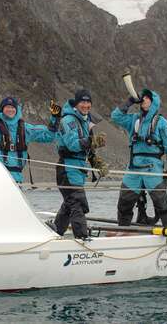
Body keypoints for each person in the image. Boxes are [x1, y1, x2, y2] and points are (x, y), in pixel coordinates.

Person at [111, 89, 167, 228]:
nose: (144, 99)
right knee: (124, 202)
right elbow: (115, 117)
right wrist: (128, 102)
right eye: (143, 97)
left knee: (161, 202)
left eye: (148, 98)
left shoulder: (161, 122)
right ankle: (123, 231)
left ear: (154, 102)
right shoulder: (134, 119)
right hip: (134, 167)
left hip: (153, 168)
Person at [51, 89, 107, 240]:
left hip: (77, 169)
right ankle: (82, 239)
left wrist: (97, 163)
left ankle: (55, 232)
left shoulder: (85, 121)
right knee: (78, 203)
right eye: (82, 102)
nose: (86, 105)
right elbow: (72, 145)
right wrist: (92, 141)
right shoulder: (68, 120)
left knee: (69, 204)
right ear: (76, 104)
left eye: (88, 102)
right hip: (67, 168)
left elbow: (87, 149)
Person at [0, 92, 59, 182]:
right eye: (7, 107)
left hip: (17, 179)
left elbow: (48, 136)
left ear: (16, 109)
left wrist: (55, 117)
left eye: (13, 107)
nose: (10, 109)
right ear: (2, 110)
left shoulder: (26, 128)